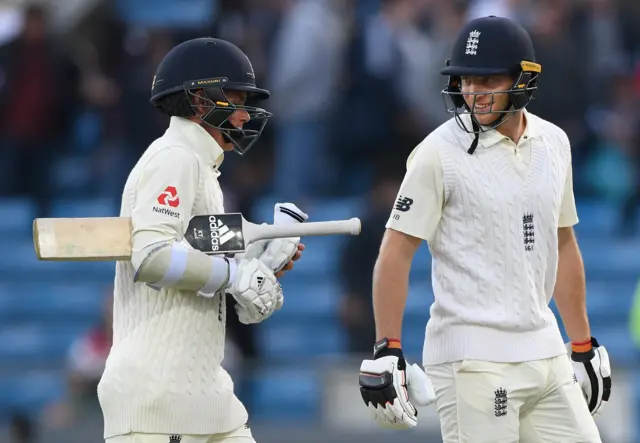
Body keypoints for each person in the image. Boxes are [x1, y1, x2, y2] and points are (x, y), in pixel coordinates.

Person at [358, 16, 611, 442]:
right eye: (466, 81)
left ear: (524, 79)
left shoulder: (555, 143)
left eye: (487, 80)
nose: (472, 92)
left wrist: (582, 344)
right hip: (472, 360)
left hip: (545, 350)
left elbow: (563, 244)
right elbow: (395, 255)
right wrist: (388, 349)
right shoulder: (437, 153)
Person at [97, 37, 307, 443]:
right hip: (158, 402)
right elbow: (152, 256)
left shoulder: (202, 168)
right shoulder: (174, 157)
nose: (246, 116)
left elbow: (198, 249)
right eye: (237, 100)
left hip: (207, 398)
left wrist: (258, 260)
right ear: (199, 100)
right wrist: (233, 274)